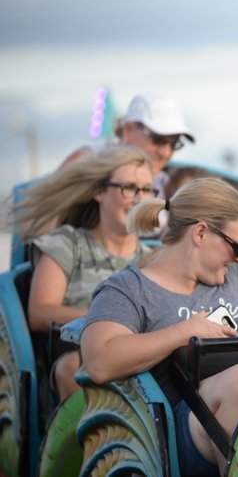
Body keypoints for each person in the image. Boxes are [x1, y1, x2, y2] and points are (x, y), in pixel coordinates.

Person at [80, 177, 238, 476]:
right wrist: (183, 332)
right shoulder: (129, 289)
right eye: (236, 246)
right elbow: (100, 361)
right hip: (185, 430)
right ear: (200, 233)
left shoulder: (229, 272)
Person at [10, 146, 155, 402]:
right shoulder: (67, 243)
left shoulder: (153, 259)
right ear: (99, 192)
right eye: (129, 188)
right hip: (76, 360)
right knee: (72, 369)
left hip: (138, 364)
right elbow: (40, 312)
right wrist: (107, 322)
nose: (139, 199)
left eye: (146, 190)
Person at [62, 93, 195, 197]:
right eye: (158, 139)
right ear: (128, 130)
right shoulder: (85, 162)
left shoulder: (169, 185)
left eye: (175, 143)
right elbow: (46, 218)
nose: (166, 152)